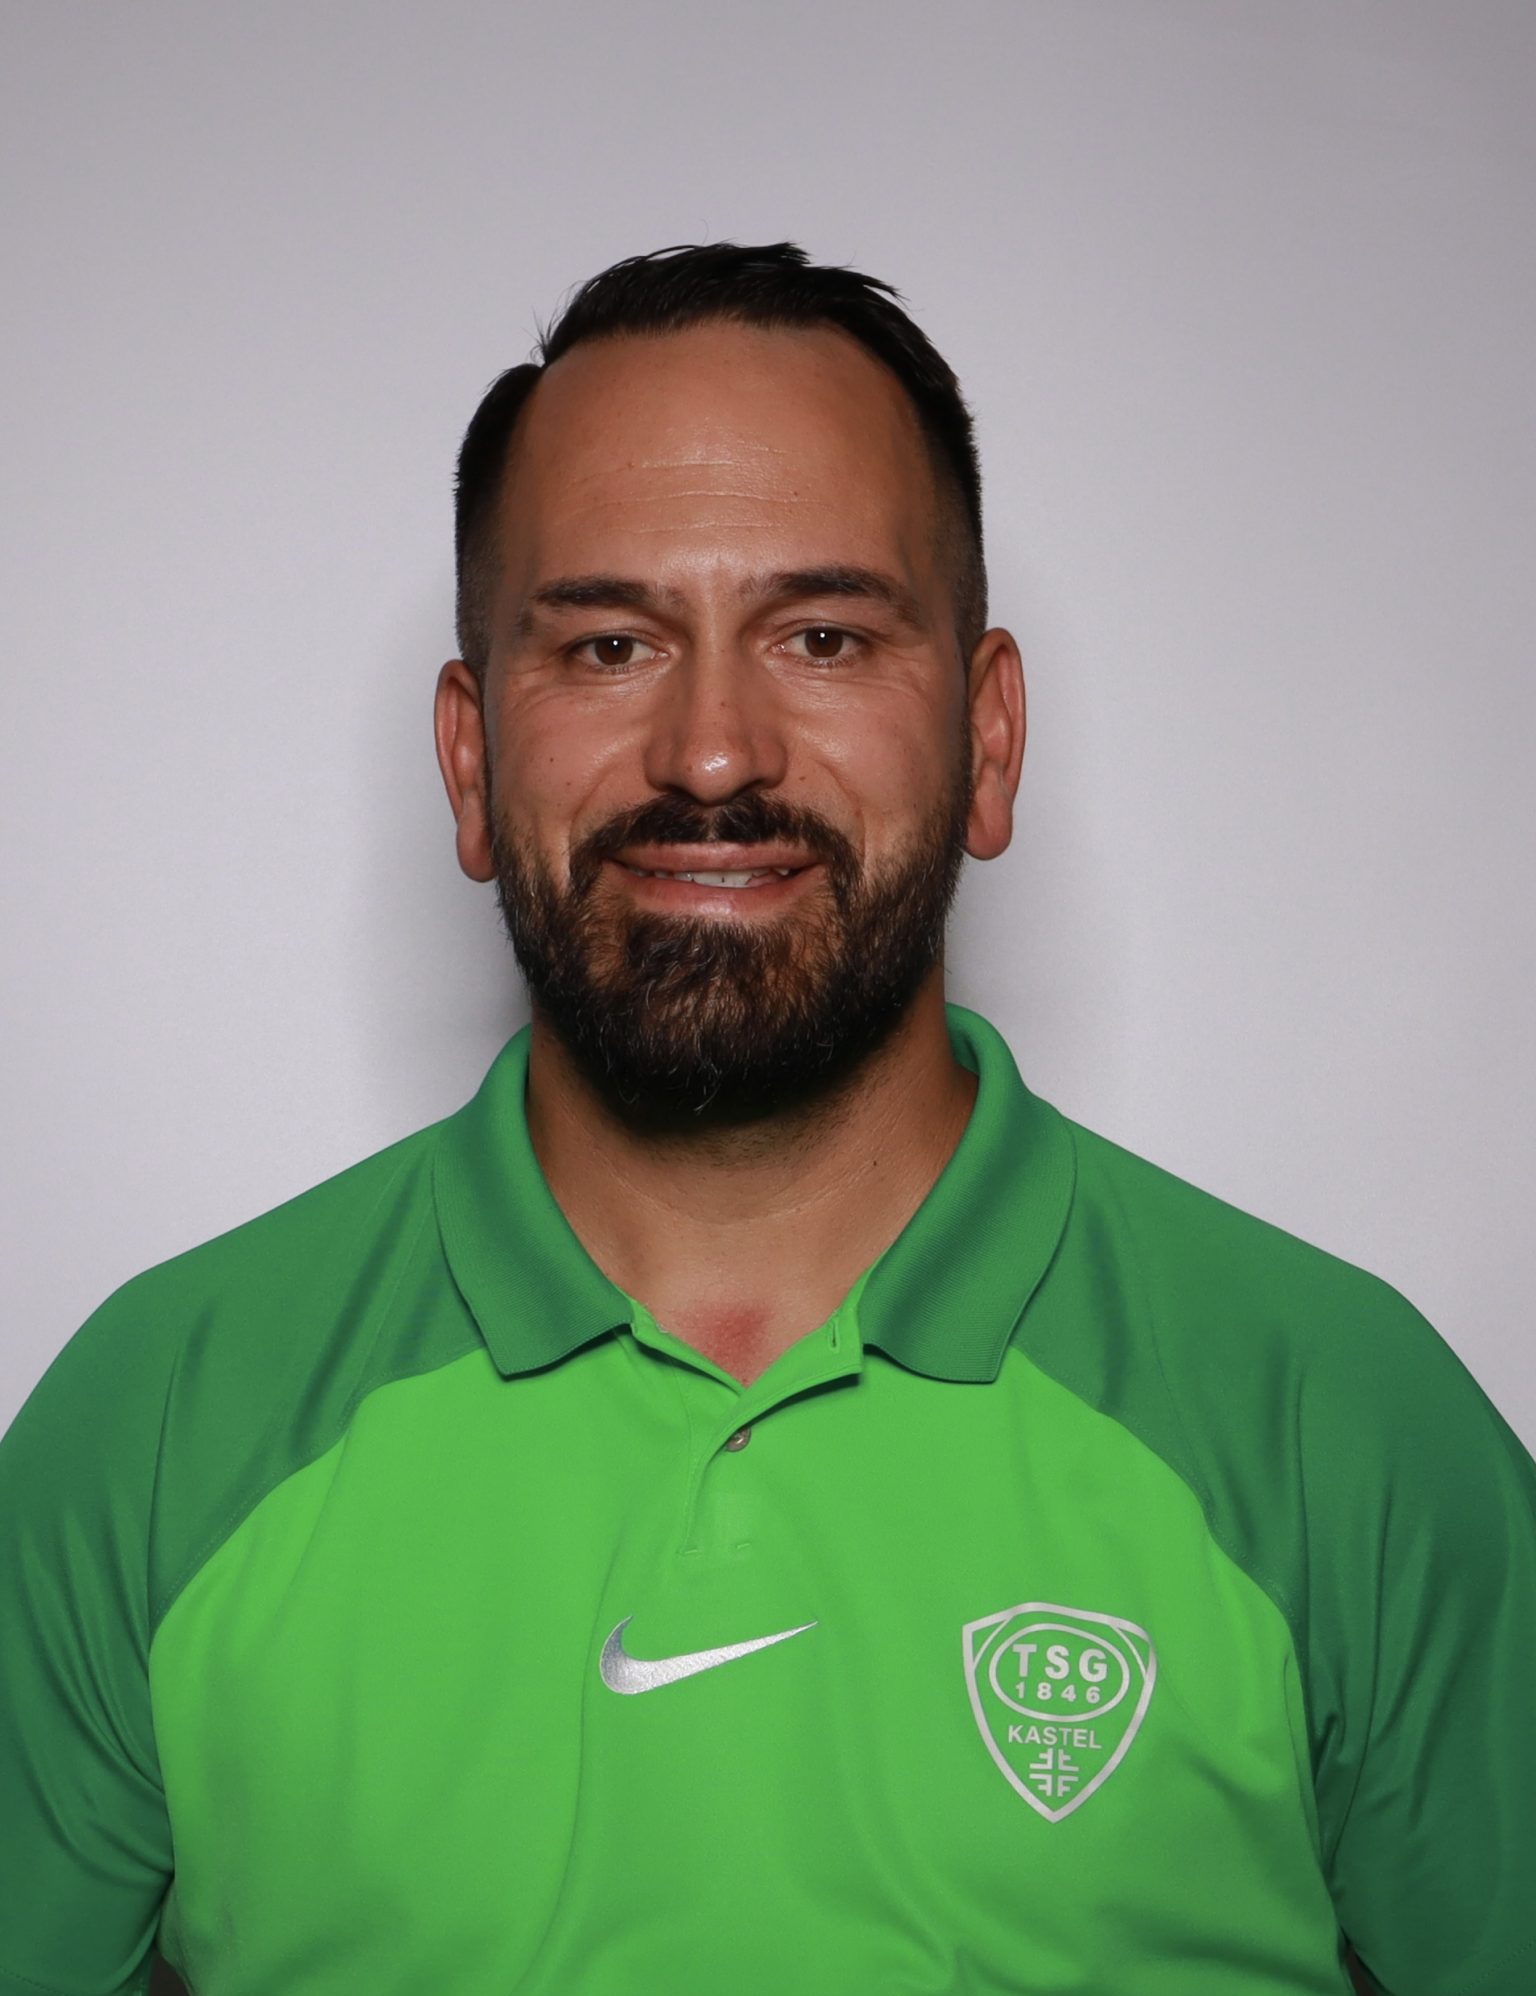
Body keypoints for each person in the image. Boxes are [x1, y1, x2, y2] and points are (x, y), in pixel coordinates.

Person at [0, 242, 1531, 1996]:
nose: (714, 751)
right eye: (607, 644)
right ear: (471, 761)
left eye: (823, 636)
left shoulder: (1340, 1425)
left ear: (990, 737)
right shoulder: (160, 1430)